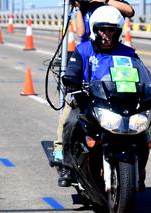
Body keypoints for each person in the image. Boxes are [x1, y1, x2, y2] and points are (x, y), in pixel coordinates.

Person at [54, 5, 140, 187]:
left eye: (111, 30)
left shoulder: (128, 53)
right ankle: (67, 167)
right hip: (86, 101)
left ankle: (139, 169)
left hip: (118, 103)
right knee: (70, 123)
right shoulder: (83, 50)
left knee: (144, 131)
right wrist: (71, 80)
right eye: (102, 29)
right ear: (95, 29)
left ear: (118, 32)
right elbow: (72, 71)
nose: (106, 34)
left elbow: (141, 75)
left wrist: (150, 89)